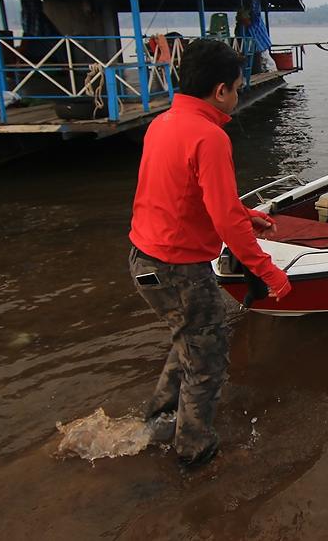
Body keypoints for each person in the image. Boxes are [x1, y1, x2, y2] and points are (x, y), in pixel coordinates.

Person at [128, 39, 291, 467]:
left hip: (143, 261)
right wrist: (269, 272)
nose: (239, 94)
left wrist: (243, 211)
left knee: (189, 340)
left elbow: (188, 194)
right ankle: (194, 450)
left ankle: (159, 421)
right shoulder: (210, 136)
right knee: (209, 355)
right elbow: (225, 223)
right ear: (220, 90)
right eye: (238, 86)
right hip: (178, 268)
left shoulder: (162, 124)